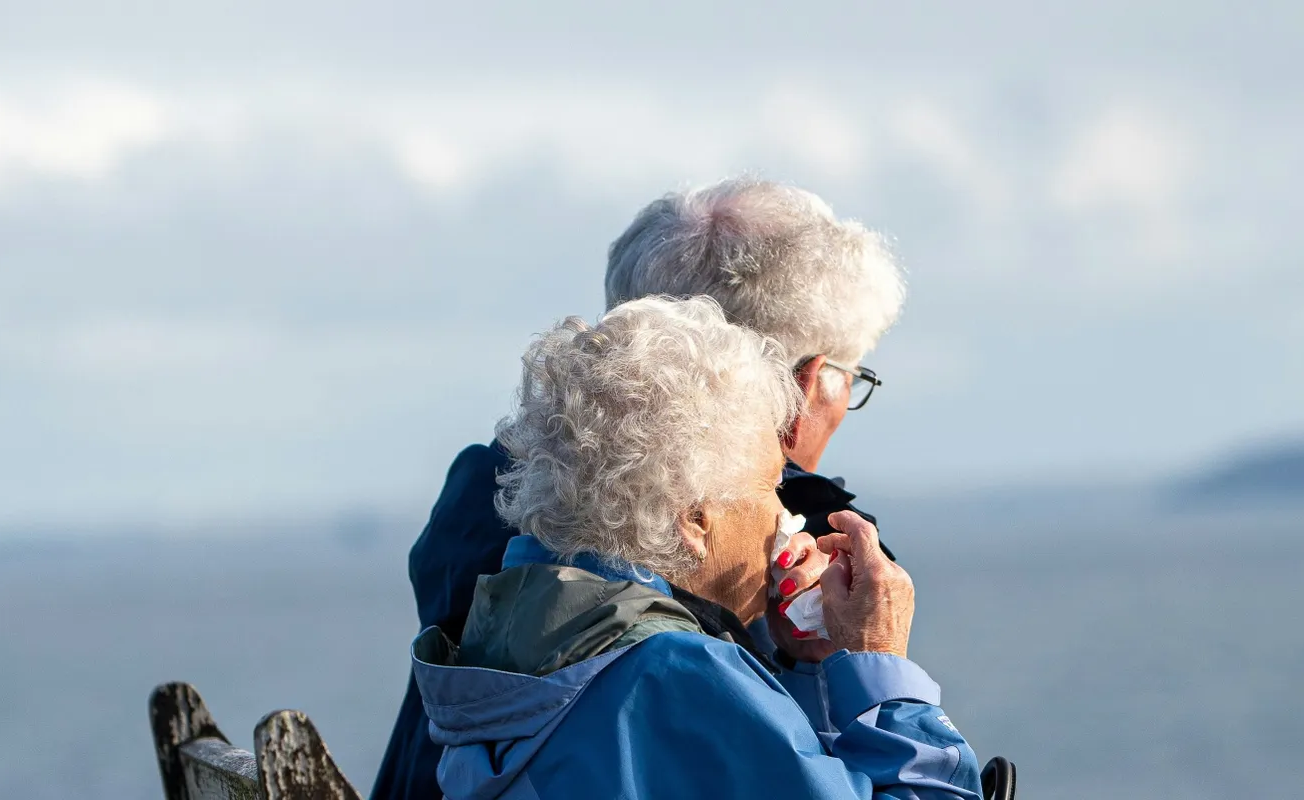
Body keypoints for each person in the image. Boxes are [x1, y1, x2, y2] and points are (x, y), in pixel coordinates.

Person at [371, 179, 907, 800]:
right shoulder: (729, 562)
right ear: (806, 384)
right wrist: (861, 670)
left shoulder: (502, 498)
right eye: (852, 376)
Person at [411, 296, 980, 798]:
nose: (785, 514)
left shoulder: (517, 636)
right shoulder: (675, 674)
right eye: (769, 486)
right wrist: (880, 667)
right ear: (694, 520)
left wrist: (812, 669)